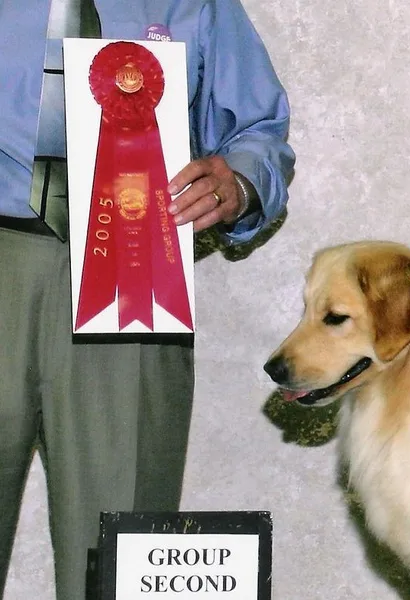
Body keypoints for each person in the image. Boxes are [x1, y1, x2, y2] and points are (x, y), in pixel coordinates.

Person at [0, 1, 295, 599]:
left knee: (117, 559)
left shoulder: (196, 4)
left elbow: (258, 132)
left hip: (134, 268)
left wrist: (237, 183)